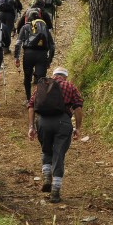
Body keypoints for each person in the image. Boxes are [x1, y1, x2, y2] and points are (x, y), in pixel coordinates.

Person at [27, 67, 83, 203]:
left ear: (53, 75)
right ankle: (55, 192)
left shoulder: (43, 85)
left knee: (46, 149)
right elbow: (78, 107)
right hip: (63, 122)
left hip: (43, 122)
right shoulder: (70, 86)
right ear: (65, 76)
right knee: (59, 154)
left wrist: (31, 127)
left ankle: (47, 177)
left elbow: (31, 105)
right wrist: (77, 128)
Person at [14, 10, 54, 102]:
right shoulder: (44, 28)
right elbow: (52, 46)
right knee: (41, 79)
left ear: (28, 18)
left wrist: (16, 57)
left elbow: (18, 43)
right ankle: (40, 100)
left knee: (27, 77)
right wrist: (49, 60)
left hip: (28, 54)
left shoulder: (25, 27)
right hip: (42, 55)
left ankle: (28, 99)